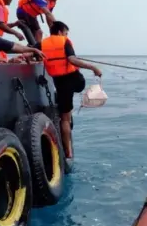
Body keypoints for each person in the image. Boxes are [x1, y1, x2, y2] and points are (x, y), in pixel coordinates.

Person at [38, 21, 102, 159]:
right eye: (66, 33)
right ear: (61, 32)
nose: (67, 35)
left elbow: (30, 52)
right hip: (74, 80)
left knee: (65, 118)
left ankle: (68, 152)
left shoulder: (42, 44)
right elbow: (72, 59)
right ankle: (74, 97)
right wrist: (93, 67)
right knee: (77, 92)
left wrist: (21, 57)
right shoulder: (65, 41)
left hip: (59, 83)